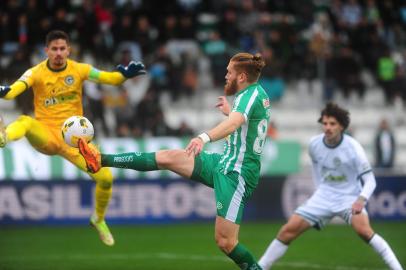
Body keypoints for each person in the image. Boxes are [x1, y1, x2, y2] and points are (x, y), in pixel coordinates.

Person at [79, 52, 270, 270]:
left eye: (229, 72)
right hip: (223, 162)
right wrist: (231, 112)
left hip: (237, 175)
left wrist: (203, 137)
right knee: (168, 157)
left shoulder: (248, 97)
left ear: (242, 76)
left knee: (225, 242)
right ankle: (100, 159)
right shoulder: (253, 94)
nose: (226, 75)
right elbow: (245, 123)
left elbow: (236, 124)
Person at [0, 30, 146, 246]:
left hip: (74, 141)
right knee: (25, 121)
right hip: (46, 135)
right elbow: (12, 92)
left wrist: (123, 75)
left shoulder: (79, 69)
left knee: (105, 179)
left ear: (69, 50)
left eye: (62, 49)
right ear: (46, 51)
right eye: (54, 49)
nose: (58, 53)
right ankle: (3, 137)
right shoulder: (35, 73)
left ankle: (98, 219)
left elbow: (110, 79)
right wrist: (3, 90)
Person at [258, 103, 403, 270]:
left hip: (350, 198)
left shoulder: (353, 147)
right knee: (287, 230)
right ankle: (260, 267)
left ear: (341, 126)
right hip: (324, 196)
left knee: (364, 231)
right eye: (325, 123)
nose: (327, 127)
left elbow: (370, 180)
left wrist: (361, 200)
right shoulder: (314, 144)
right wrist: (321, 192)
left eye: (332, 124)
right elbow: (317, 170)